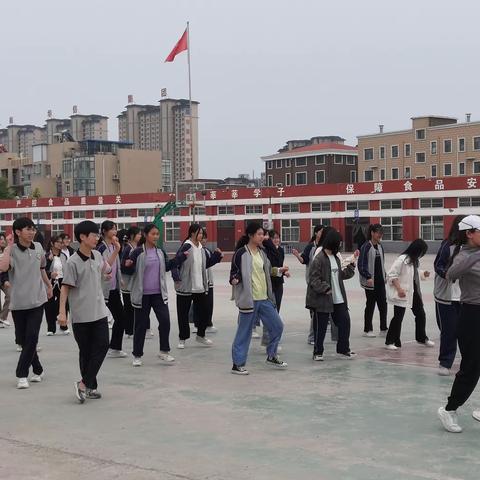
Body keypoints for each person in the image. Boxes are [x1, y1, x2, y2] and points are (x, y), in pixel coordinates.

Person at [58, 221, 118, 403]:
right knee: (86, 352)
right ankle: (90, 387)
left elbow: (106, 268)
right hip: (81, 316)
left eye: (98, 235)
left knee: (101, 346)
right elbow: (65, 288)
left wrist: (116, 250)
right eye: (94, 235)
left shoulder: (98, 255)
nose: (97, 237)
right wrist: (62, 312)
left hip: (99, 312)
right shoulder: (72, 262)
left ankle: (83, 384)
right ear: (83, 237)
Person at [438, 215, 480, 433]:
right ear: (469, 233)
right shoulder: (462, 255)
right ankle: (449, 409)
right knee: (471, 367)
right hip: (472, 315)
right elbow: (451, 273)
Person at [0, 217, 53, 389]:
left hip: (37, 300)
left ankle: (22, 374)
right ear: (17, 232)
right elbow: (3, 267)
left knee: (32, 337)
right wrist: (8, 246)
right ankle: (38, 369)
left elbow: (42, 268)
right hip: (19, 302)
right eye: (27, 229)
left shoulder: (38, 247)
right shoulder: (12, 250)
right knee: (24, 340)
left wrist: (48, 285)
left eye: (33, 229)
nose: (31, 232)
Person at [124, 224, 186, 367]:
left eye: (157, 234)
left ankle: (164, 351)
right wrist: (127, 264)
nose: (156, 236)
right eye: (153, 234)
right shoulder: (137, 252)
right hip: (142, 295)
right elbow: (128, 268)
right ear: (146, 235)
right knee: (140, 326)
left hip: (158, 294)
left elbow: (167, 266)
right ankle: (137, 355)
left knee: (165, 321)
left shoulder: (160, 252)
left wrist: (181, 258)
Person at [230, 222, 287, 375]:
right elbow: (234, 273)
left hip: (264, 298)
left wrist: (280, 271)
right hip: (249, 300)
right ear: (251, 235)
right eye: (260, 234)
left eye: (263, 234)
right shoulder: (241, 253)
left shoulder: (262, 252)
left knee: (277, 326)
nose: (263, 237)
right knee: (244, 332)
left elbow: (268, 271)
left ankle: (272, 355)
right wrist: (235, 279)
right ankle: (237, 364)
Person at [306, 230, 358, 361]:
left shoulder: (335, 258)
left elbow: (340, 275)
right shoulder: (319, 258)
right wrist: (325, 288)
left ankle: (343, 349)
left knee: (345, 322)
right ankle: (318, 352)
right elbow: (313, 279)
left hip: (338, 298)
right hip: (323, 299)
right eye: (339, 242)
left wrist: (351, 267)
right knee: (321, 327)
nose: (340, 244)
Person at [174, 224, 222, 349]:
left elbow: (206, 264)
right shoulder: (186, 246)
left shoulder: (202, 248)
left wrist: (217, 257)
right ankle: (182, 338)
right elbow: (175, 263)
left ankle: (201, 335)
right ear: (192, 233)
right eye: (199, 233)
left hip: (200, 286)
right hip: (186, 286)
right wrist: (177, 278)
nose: (201, 235)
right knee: (183, 314)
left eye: (202, 233)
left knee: (204, 312)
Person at [385, 239, 435, 350]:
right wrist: (399, 289)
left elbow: (413, 273)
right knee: (398, 317)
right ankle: (390, 341)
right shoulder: (402, 259)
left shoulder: (414, 260)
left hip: (414, 292)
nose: (421, 255)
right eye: (421, 252)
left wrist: (423, 273)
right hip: (402, 293)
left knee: (421, 314)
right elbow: (391, 274)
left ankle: (421, 338)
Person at [434, 216, 463, 376]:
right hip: (447, 296)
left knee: (467, 331)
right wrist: (447, 275)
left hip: (467, 297)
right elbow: (438, 265)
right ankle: (445, 362)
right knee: (448, 330)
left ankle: (469, 361)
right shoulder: (447, 246)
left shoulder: (473, 248)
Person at [97, 220, 127, 358]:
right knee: (101, 320)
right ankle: (101, 347)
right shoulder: (101, 248)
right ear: (104, 231)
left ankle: (115, 347)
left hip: (114, 288)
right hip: (104, 290)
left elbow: (116, 265)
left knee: (120, 318)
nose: (115, 231)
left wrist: (119, 277)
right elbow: (104, 266)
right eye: (111, 229)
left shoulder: (113, 245)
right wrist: (116, 250)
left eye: (116, 228)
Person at [292, 225, 325, 345]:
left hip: (323, 281)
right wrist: (297, 255)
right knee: (314, 309)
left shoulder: (324, 246)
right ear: (316, 233)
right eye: (321, 231)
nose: (322, 233)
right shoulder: (310, 247)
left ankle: (320, 330)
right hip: (312, 282)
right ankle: (312, 336)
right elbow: (304, 260)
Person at [358, 224, 388, 338]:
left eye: (381, 232)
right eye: (378, 232)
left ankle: (383, 328)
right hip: (370, 282)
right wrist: (368, 276)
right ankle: (367, 329)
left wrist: (384, 275)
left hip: (380, 281)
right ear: (372, 233)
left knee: (383, 305)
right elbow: (361, 265)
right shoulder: (366, 246)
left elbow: (382, 263)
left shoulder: (380, 246)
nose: (380, 234)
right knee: (370, 305)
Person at [192, 228, 223, 334]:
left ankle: (208, 323)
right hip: (200, 283)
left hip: (209, 282)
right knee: (199, 305)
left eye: (205, 237)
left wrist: (217, 256)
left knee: (209, 304)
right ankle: (197, 324)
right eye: (202, 237)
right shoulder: (195, 250)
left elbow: (210, 262)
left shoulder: (206, 250)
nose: (204, 240)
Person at [44, 235, 70, 335]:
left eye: (61, 242)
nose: (60, 244)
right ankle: (51, 328)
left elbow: (67, 269)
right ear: (52, 243)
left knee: (64, 303)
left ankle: (63, 326)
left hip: (62, 281)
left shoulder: (63, 255)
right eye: (58, 242)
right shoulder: (47, 255)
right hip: (50, 282)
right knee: (49, 304)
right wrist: (50, 274)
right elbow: (41, 270)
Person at [120, 226, 142, 338]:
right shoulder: (128, 248)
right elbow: (122, 263)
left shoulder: (137, 247)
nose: (140, 236)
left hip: (134, 283)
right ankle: (129, 331)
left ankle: (133, 329)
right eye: (138, 234)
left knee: (134, 307)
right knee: (128, 307)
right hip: (127, 283)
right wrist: (128, 264)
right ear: (133, 235)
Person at [0, 233, 11, 327]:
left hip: (4, 278)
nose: (2, 241)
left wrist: (6, 279)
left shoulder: (8, 252)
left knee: (10, 296)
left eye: (3, 239)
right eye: (0, 239)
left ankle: (2, 317)